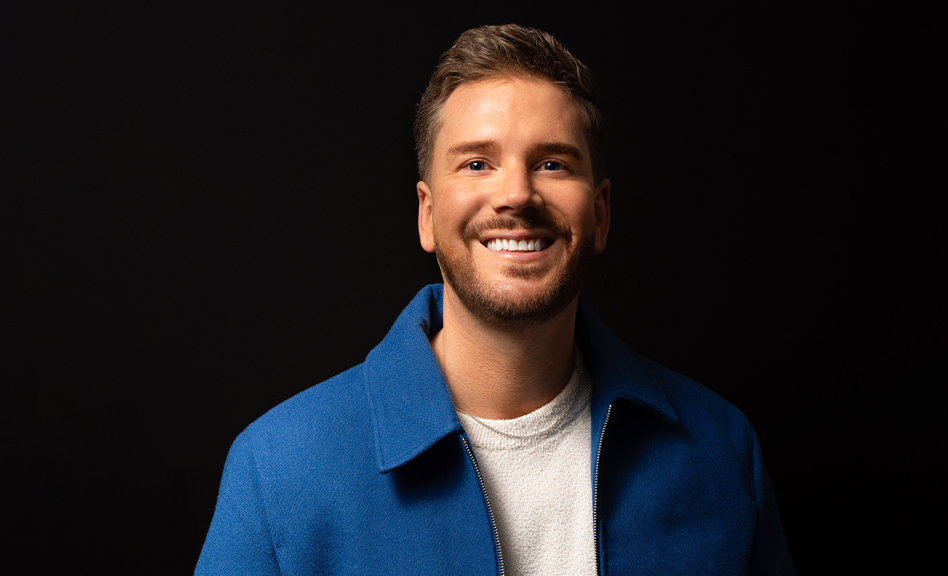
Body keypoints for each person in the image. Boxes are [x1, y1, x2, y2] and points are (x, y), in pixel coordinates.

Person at [196, 24, 795, 576]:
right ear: (427, 214)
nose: (516, 194)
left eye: (552, 163)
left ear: (601, 213)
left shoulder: (721, 449)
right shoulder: (279, 469)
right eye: (477, 163)